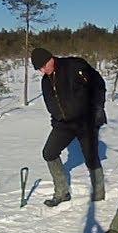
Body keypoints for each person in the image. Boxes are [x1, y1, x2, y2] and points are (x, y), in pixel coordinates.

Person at [31, 47, 107, 207]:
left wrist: (98, 108)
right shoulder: (46, 80)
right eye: (39, 69)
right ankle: (62, 192)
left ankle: (99, 194)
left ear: (50, 58)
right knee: (49, 153)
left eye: (43, 66)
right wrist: (56, 121)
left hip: (86, 120)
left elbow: (98, 84)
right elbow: (52, 104)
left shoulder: (74, 65)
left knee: (90, 156)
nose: (42, 71)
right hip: (64, 124)